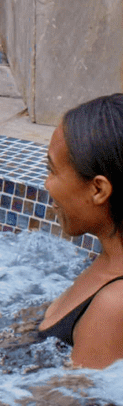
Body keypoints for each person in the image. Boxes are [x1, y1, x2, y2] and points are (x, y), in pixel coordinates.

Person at [35, 95, 123, 369]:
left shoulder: (113, 306)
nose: (47, 184)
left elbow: (73, 396)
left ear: (98, 190)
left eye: (52, 170)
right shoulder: (109, 258)